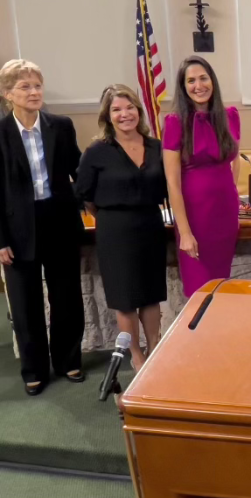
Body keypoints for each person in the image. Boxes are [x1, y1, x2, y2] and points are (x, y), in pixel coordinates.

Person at [0, 59, 85, 395]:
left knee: (67, 297)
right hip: (17, 226)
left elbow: (79, 170)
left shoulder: (60, 126)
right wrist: (0, 239)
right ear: (8, 94)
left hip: (59, 221)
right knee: (25, 303)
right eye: (25, 86)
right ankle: (34, 369)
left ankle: (68, 360)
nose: (34, 92)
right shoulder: (0, 134)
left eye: (37, 85)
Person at [77, 85, 166, 371]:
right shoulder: (97, 151)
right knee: (126, 299)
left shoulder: (156, 147)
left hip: (151, 225)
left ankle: (154, 349)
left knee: (152, 294)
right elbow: (85, 195)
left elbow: (167, 187)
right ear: (107, 116)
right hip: (115, 230)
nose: (124, 114)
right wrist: (110, 215)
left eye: (129, 108)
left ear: (138, 111)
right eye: (116, 109)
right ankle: (136, 357)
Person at [163, 56, 241, 298]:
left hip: (224, 213)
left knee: (222, 288)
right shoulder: (175, 122)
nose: (199, 86)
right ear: (184, 87)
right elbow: (172, 183)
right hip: (195, 218)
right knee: (199, 292)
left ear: (212, 81)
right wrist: (184, 232)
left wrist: (233, 194)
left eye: (203, 78)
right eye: (191, 81)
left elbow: (234, 159)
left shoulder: (230, 115)